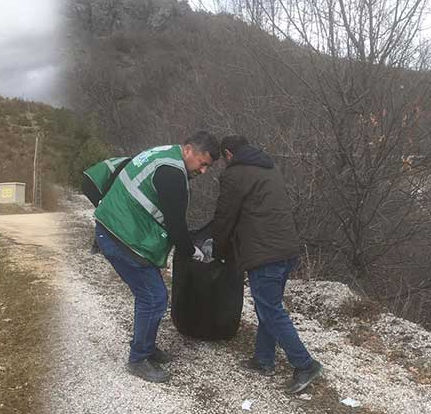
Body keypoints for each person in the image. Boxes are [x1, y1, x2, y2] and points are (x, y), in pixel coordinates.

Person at [87, 131, 221, 383]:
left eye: (208, 167)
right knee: (155, 297)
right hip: (121, 236)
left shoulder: (164, 155)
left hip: (113, 228)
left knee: (148, 293)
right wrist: (192, 252)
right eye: (203, 164)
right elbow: (176, 226)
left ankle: (146, 346)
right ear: (189, 150)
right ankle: (138, 359)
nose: (203, 171)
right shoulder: (172, 173)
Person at [207, 135, 323, 394]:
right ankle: (263, 359)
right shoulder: (269, 168)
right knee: (268, 306)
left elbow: (224, 217)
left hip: (264, 254)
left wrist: (218, 251)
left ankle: (305, 365)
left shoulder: (234, 175)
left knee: (271, 309)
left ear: (228, 154)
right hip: (287, 250)